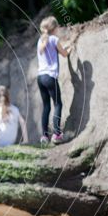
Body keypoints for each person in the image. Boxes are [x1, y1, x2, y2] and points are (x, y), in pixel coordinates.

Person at [36, 15, 72, 144]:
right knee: (58, 104)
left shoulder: (40, 41)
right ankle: (56, 134)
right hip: (50, 77)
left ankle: (44, 136)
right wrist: (69, 48)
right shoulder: (54, 39)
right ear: (55, 28)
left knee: (46, 106)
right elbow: (64, 54)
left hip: (40, 77)